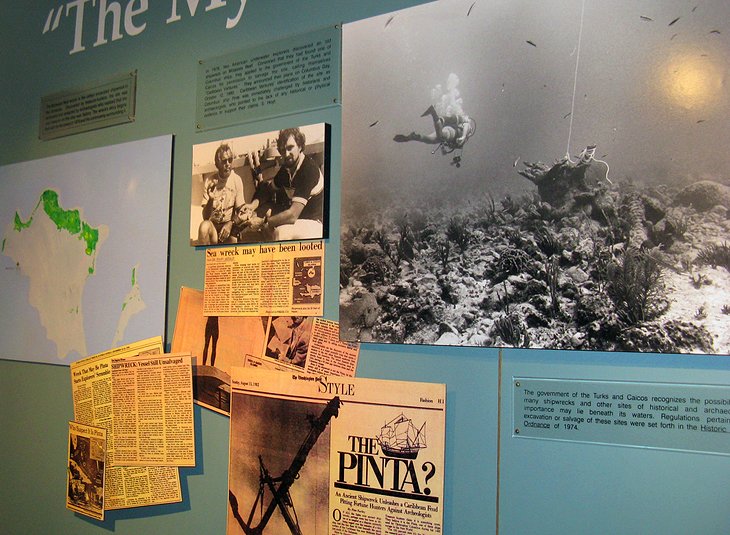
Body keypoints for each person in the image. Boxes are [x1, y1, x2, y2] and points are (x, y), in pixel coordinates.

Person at [246, 128, 325, 241]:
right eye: (283, 150)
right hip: (299, 221)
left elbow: (292, 215)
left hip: (314, 223)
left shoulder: (308, 170)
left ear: (300, 146)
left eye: (290, 148)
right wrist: (253, 205)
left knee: (280, 232)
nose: (286, 154)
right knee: (264, 214)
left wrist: (263, 222)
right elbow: (268, 190)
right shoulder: (287, 169)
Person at [197, 143, 255, 245]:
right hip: (213, 227)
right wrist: (211, 199)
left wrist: (231, 223)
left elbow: (241, 210)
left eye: (230, 160)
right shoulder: (210, 181)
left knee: (234, 241)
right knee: (203, 227)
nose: (228, 164)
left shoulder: (236, 180)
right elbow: (205, 217)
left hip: (228, 227)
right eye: (224, 161)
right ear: (217, 164)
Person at [394, 104, 474, 152]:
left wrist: (444, 150)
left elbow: (449, 145)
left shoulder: (462, 140)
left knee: (430, 140)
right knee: (441, 136)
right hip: (452, 132)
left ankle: (413, 137)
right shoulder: (468, 128)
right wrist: (463, 136)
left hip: (448, 132)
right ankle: (433, 112)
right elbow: (466, 125)